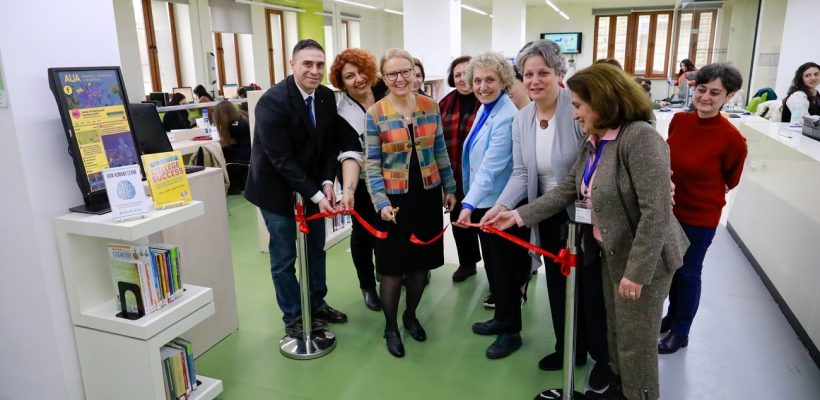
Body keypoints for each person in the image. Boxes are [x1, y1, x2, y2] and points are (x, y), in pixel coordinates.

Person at [488, 63, 688, 400]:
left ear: (603, 101)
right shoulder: (597, 140)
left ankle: (639, 393)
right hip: (610, 252)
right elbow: (566, 190)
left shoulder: (640, 138)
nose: (575, 114)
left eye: (579, 105)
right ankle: (617, 391)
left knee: (635, 346)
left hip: (644, 263)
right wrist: (516, 216)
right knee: (614, 335)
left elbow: (656, 214)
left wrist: (637, 274)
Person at [479, 39, 610, 394]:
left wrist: (519, 212)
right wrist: (502, 206)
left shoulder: (579, 109)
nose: (534, 81)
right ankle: (568, 348)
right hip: (546, 214)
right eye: (528, 74)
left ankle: (602, 358)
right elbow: (522, 174)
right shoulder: (522, 119)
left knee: (591, 290)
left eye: (543, 73)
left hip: (584, 214)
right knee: (557, 284)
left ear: (559, 74)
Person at [244, 39, 348, 338]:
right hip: (275, 190)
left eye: (319, 65)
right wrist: (317, 194)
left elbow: (330, 145)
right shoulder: (272, 102)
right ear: (292, 65)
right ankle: (293, 316)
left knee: (316, 248)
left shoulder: (327, 97)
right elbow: (282, 159)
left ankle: (316, 304)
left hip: (313, 185)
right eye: (307, 64)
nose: (314, 71)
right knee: (284, 255)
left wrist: (328, 182)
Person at [364, 48, 457, 358]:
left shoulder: (431, 107)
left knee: (420, 266)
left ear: (415, 73)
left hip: (427, 195)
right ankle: (391, 326)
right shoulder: (375, 113)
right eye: (392, 74)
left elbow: (440, 149)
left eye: (406, 72)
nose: (400, 78)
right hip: (393, 201)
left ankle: (410, 315)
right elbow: (372, 164)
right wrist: (380, 202)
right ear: (384, 78)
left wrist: (450, 187)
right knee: (392, 269)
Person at [661, 64, 748, 354]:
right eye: (701, 89)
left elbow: (731, 179)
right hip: (670, 210)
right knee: (670, 269)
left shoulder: (732, 138)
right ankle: (672, 317)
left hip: (700, 216)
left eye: (715, 93)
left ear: (729, 96)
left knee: (688, 272)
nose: (705, 97)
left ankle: (681, 330)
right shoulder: (679, 121)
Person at [454, 51, 530, 359]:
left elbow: (492, 166)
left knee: (506, 269)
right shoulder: (487, 108)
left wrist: (468, 202)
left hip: (501, 204)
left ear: (503, 81)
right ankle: (502, 317)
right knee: (496, 268)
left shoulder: (507, 115)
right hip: (486, 201)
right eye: (477, 80)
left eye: (490, 80)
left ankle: (511, 330)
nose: (483, 86)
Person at [330, 48, 387, 312]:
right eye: (349, 76)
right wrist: (349, 189)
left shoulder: (387, 90)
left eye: (361, 71)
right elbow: (350, 153)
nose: (358, 79)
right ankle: (367, 284)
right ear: (342, 83)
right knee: (363, 232)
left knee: (391, 228)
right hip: (362, 179)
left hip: (394, 176)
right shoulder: (342, 114)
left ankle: (389, 272)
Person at [439, 55, 483, 283]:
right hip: (455, 176)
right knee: (459, 222)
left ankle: (496, 274)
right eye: (458, 75)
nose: (463, 79)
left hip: (483, 177)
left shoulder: (487, 101)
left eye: (468, 74)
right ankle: (468, 264)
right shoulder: (444, 104)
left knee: (485, 224)